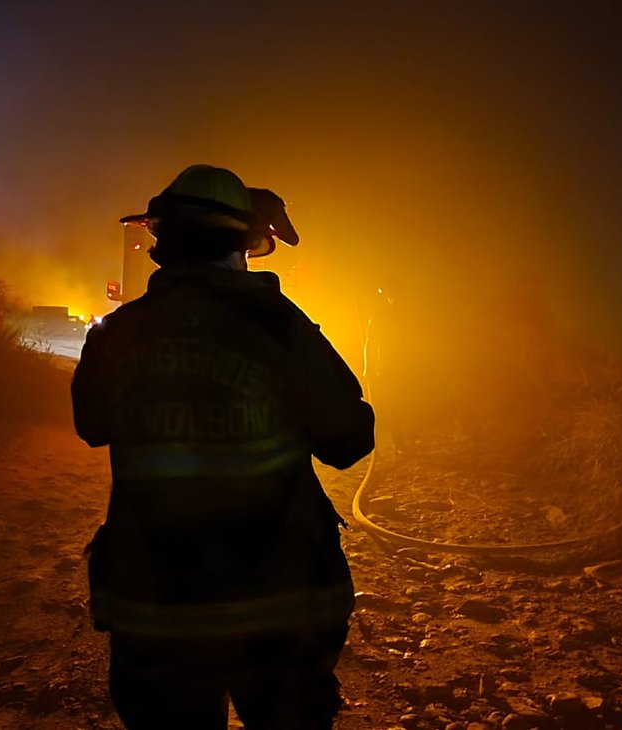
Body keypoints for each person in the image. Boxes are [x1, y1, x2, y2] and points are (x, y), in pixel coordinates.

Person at [72, 164, 374, 729]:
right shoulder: (283, 328)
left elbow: (90, 423)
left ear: (162, 244)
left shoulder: (117, 334)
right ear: (247, 244)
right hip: (277, 614)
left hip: (156, 613)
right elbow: (350, 439)